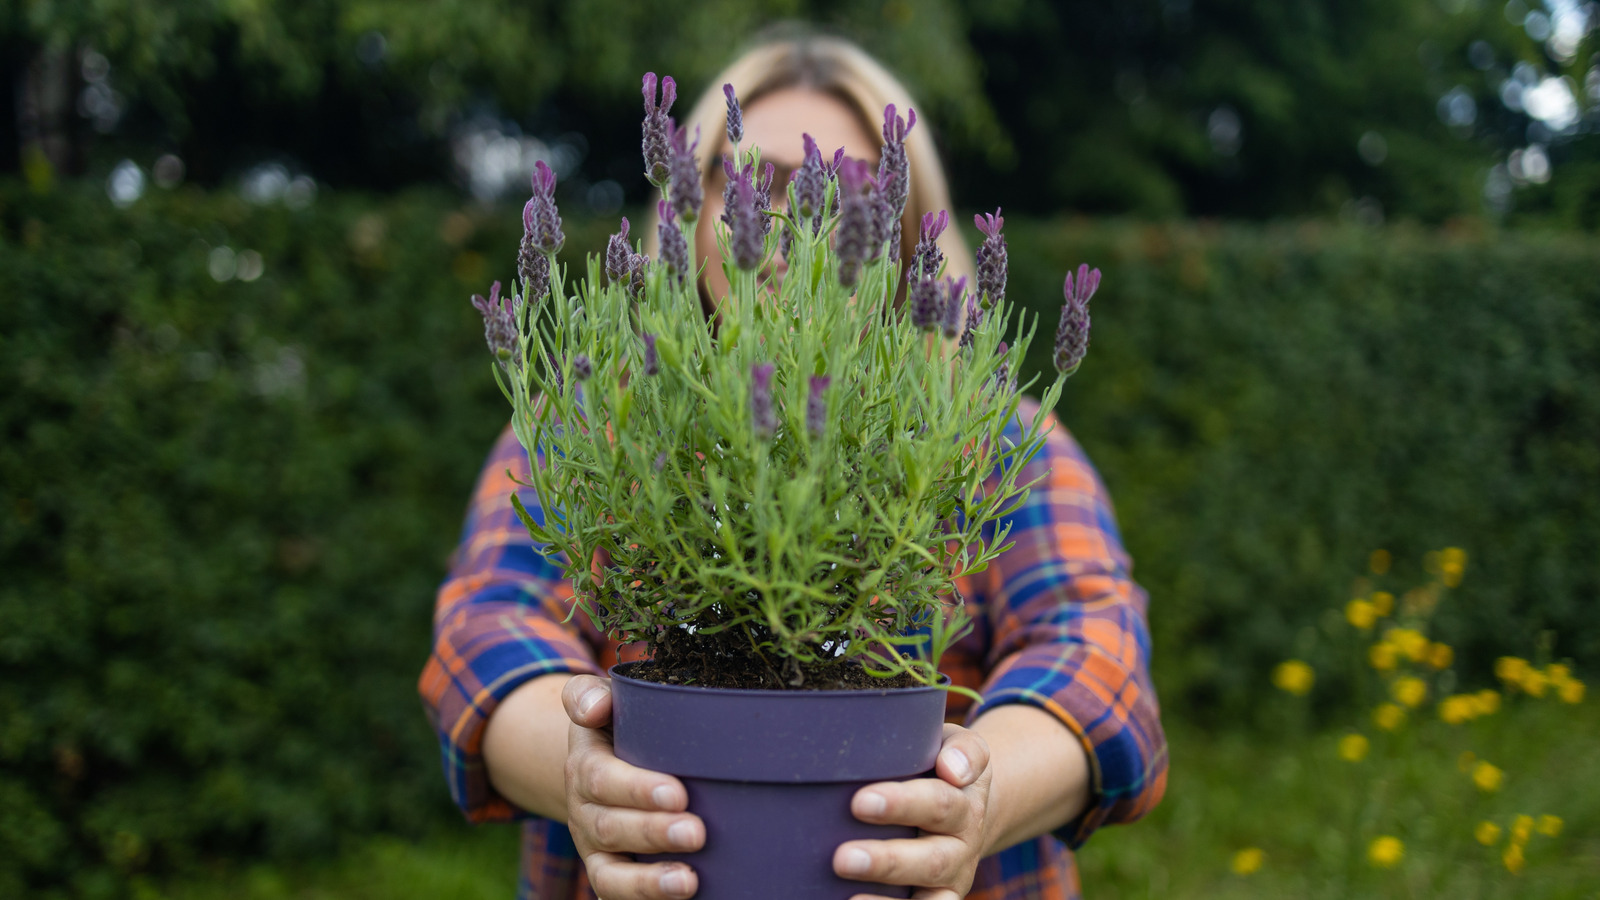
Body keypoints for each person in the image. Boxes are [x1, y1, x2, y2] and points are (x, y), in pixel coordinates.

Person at [420, 31, 1166, 900]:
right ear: (687, 199)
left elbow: (1101, 664)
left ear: (903, 227)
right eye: (753, 182)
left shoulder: (991, 437)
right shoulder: (592, 423)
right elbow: (485, 633)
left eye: (845, 190)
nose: (786, 218)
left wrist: (981, 795)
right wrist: (581, 776)